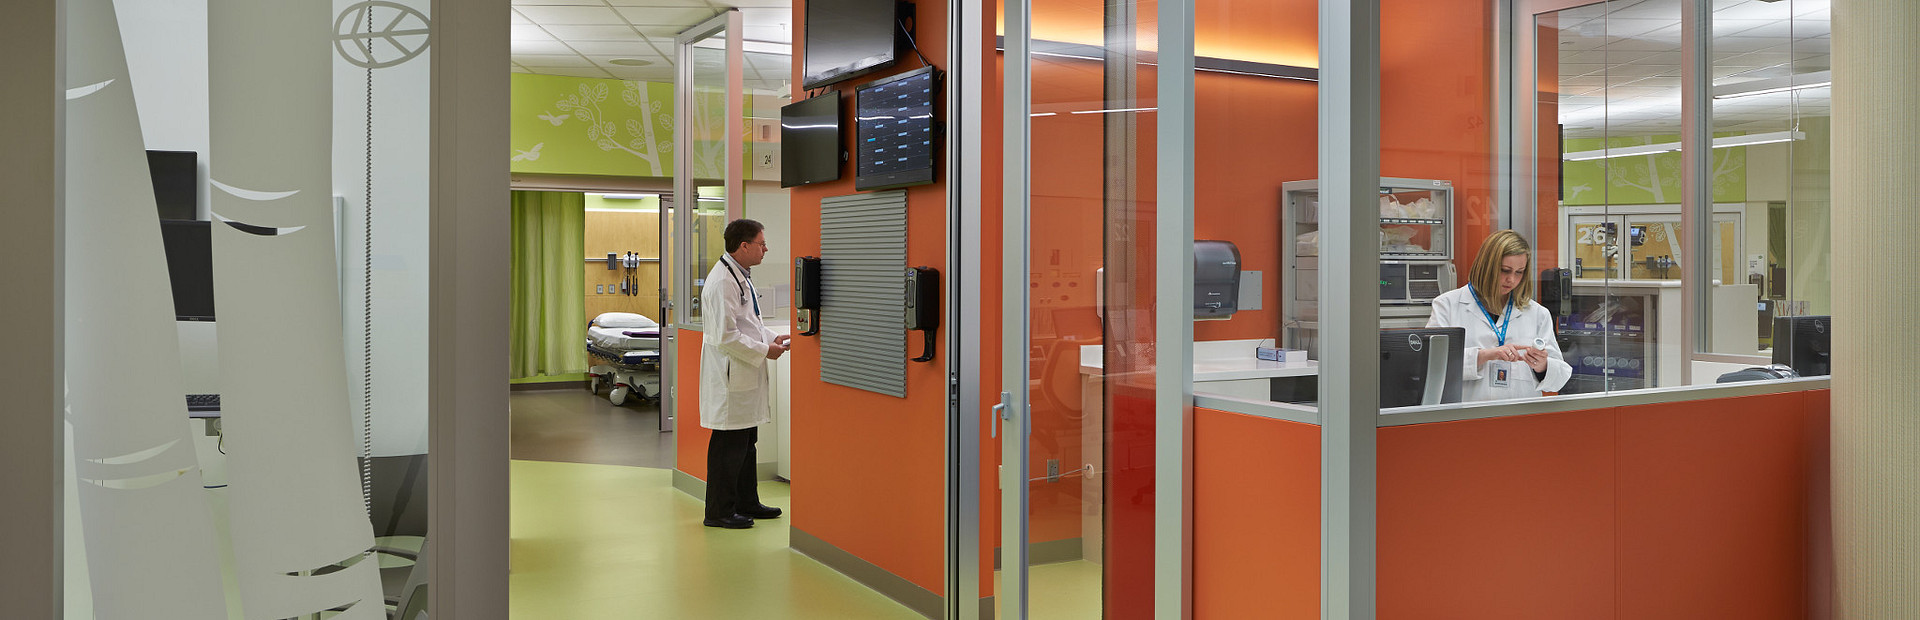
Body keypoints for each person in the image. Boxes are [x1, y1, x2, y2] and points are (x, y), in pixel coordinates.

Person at [699, 219, 790, 529]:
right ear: (744, 246)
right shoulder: (722, 281)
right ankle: (719, 512)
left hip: (742, 374)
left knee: (746, 442)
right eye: (761, 243)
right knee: (729, 447)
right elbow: (725, 335)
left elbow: (748, 322)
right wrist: (765, 351)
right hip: (730, 378)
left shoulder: (740, 276)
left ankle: (746, 501)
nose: (766, 249)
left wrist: (769, 338)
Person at [1427, 229, 1572, 402]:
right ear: (1486, 266)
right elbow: (1433, 365)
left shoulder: (1537, 313)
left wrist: (1543, 367)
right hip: (1467, 417)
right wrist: (1484, 356)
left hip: (1519, 417)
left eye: (1519, 272)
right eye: (1505, 270)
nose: (1511, 279)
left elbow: (1559, 379)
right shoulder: (1447, 305)